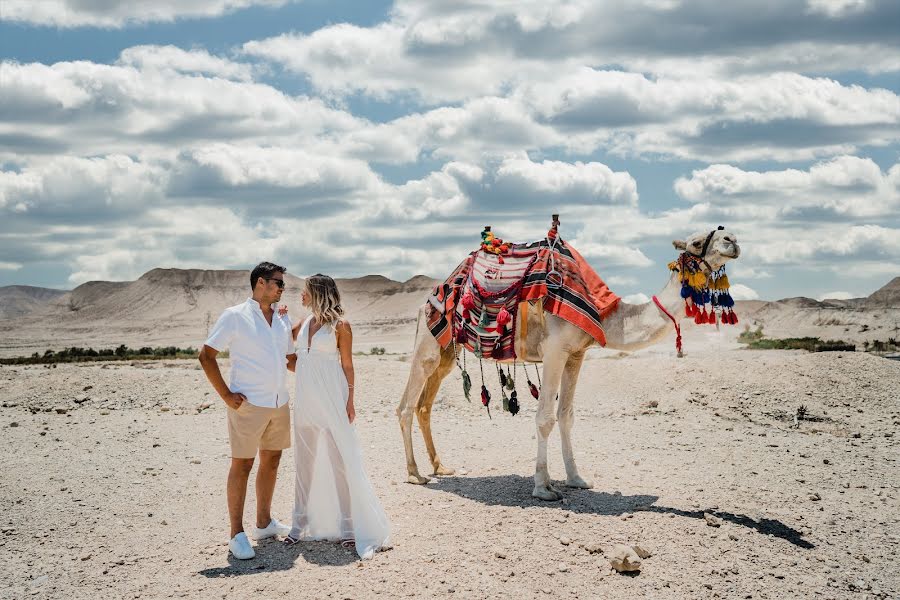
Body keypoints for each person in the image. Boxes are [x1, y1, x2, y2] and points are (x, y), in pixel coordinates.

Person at [283, 274, 390, 559]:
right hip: (305, 402)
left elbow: (347, 365)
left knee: (340, 462)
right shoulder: (302, 324)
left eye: (304, 292)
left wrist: (350, 400)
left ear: (318, 293)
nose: (300, 296)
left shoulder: (341, 326)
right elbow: (288, 354)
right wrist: (306, 371)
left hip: (333, 400)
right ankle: (299, 524)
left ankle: (348, 527)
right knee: (303, 463)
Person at [199, 262, 296, 560]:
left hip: (279, 403)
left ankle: (264, 523)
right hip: (248, 404)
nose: (282, 287)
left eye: (282, 283)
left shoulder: (281, 318)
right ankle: (235, 534)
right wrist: (226, 395)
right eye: (278, 282)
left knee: (272, 460)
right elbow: (206, 355)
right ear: (261, 283)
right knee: (242, 465)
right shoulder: (234, 316)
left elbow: (290, 359)